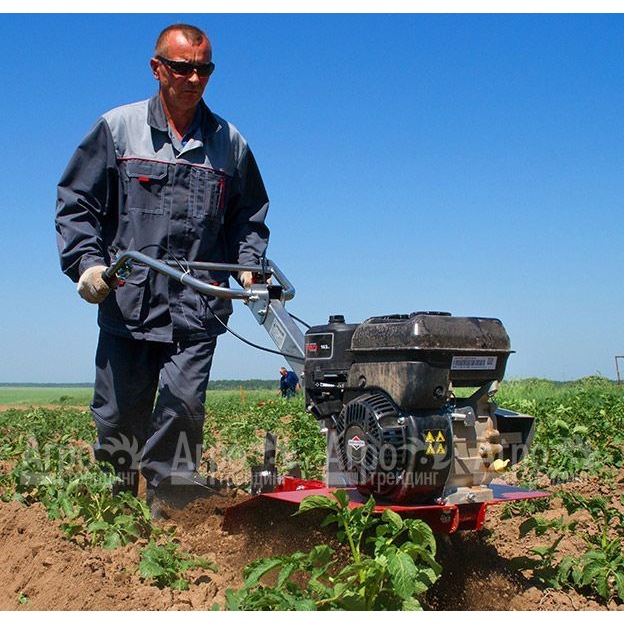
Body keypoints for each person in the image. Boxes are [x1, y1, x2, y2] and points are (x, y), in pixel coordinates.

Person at [55, 23, 270, 516]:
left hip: (198, 306)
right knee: (117, 418)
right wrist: (86, 263)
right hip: (128, 301)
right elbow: (77, 203)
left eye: (204, 70)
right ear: (157, 68)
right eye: (182, 68)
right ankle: (116, 515)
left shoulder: (229, 143)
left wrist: (249, 267)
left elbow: (247, 216)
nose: (194, 79)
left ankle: (170, 516)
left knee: (182, 409)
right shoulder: (118, 128)